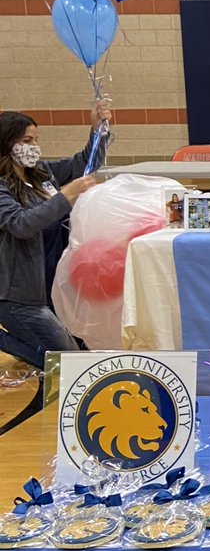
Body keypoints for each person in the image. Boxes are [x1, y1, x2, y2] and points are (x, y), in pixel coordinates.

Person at [0, 100, 111, 371]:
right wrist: (66, 196)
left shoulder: (40, 174)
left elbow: (84, 163)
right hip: (18, 295)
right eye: (27, 140)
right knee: (71, 361)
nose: (33, 146)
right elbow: (21, 224)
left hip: (50, 286)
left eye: (36, 139)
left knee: (68, 355)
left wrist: (99, 131)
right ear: (7, 143)